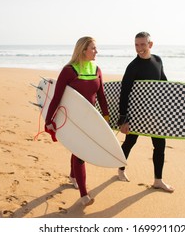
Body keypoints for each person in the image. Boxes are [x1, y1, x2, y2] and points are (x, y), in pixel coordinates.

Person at [45, 36, 110, 206]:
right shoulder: (69, 71)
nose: (97, 51)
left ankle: (73, 175)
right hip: (73, 120)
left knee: (77, 150)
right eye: (93, 48)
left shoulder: (97, 69)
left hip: (90, 119)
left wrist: (106, 118)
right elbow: (57, 97)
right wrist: (48, 120)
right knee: (80, 152)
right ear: (83, 50)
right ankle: (84, 195)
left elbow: (101, 96)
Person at [117, 32, 175, 193]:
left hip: (155, 113)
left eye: (143, 44)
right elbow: (124, 93)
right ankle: (120, 169)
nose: (139, 48)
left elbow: (163, 83)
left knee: (160, 145)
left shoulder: (158, 60)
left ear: (150, 44)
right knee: (130, 142)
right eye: (136, 45)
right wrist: (123, 119)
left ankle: (158, 180)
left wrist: (169, 107)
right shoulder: (133, 67)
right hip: (136, 113)